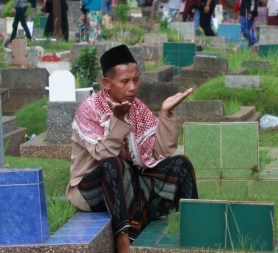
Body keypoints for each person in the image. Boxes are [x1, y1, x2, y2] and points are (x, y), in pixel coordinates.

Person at [67, 45, 199, 253]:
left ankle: (194, 230)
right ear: (106, 83)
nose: (132, 88)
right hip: (92, 189)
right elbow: (103, 155)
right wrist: (118, 120)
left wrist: (165, 114)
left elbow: (161, 153)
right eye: (124, 81)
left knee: (181, 163)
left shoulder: (137, 107)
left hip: (128, 183)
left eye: (136, 80)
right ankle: (123, 240)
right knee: (113, 163)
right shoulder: (89, 109)